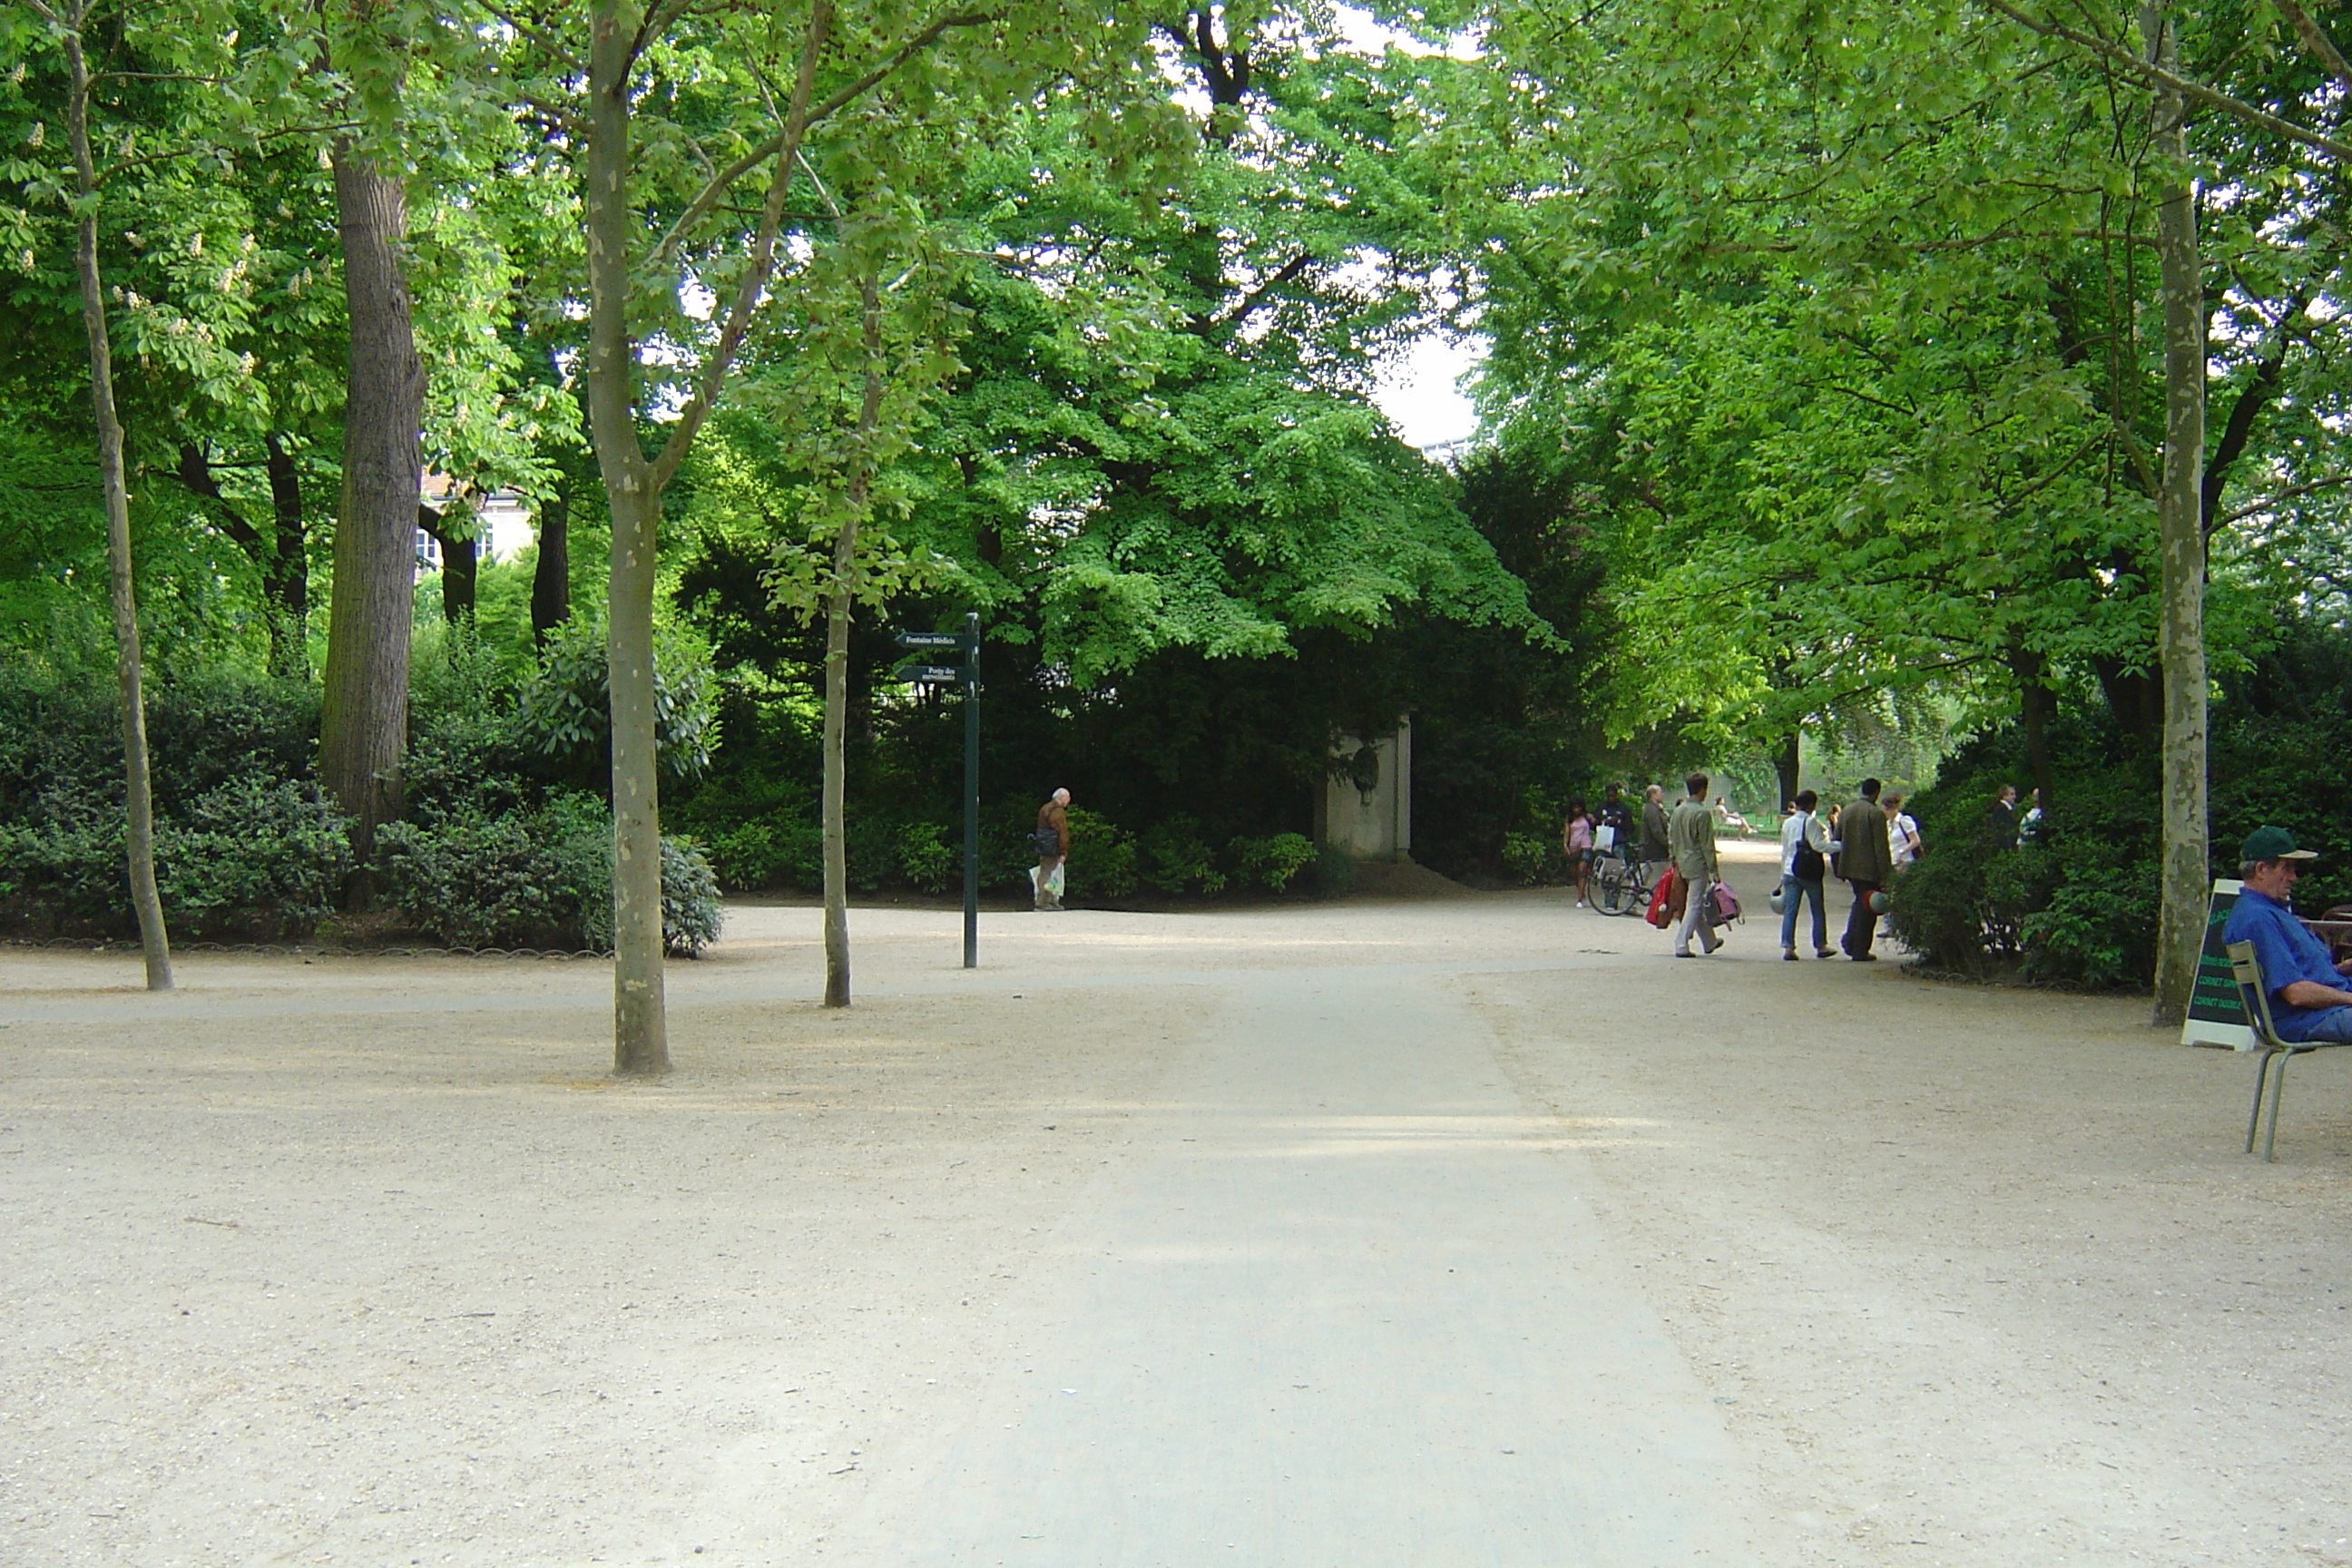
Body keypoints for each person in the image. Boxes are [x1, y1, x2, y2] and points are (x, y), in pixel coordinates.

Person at [2221, 825, 2352, 1041]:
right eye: (2286, 868)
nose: (2294, 877)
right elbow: (2296, 993)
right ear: (2261, 870)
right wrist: (2349, 997)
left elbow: (2301, 973)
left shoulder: (2267, 910)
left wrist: (2342, 969)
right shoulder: (2258, 919)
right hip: (2308, 1019)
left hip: (2322, 1010)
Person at [1834, 776, 1892, 960]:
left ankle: (1851, 942)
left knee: (1859, 903)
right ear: (1876, 792)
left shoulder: (1847, 811)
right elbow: (1881, 848)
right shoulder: (1875, 814)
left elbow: (1836, 841)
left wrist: (1837, 867)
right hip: (1869, 870)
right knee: (1868, 908)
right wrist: (1886, 874)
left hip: (1849, 867)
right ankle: (1859, 948)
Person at [1669, 771, 1722, 957]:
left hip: (1681, 862)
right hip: (1697, 863)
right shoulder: (1702, 813)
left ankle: (1709, 941)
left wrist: (1673, 859)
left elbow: (1672, 839)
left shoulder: (1678, 811)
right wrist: (1714, 870)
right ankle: (1681, 942)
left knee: (1695, 904)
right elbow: (1707, 845)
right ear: (1702, 790)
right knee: (1694, 905)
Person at [1779, 789, 1835, 960]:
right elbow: (1818, 845)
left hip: (1790, 869)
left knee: (1790, 910)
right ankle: (1820, 945)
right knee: (1817, 908)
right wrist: (1839, 847)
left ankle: (1788, 947)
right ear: (1811, 805)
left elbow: (1785, 849)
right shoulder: (1810, 822)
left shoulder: (1787, 823)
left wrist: (1782, 874)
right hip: (1808, 870)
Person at [1034, 787, 1071, 911]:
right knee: (1050, 874)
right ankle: (1044, 902)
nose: (1069, 800)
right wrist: (1063, 851)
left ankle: (1051, 901)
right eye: (1067, 798)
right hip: (1053, 847)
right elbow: (1062, 833)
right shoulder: (1058, 812)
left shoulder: (1045, 808)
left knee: (1046, 871)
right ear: (1061, 798)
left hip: (1043, 846)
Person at [1562, 799, 1595, 906]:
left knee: (1582, 870)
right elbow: (1567, 833)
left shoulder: (1587, 817)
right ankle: (1581, 890)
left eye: (1578, 807)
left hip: (1585, 845)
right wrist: (1565, 845)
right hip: (1573, 846)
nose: (1576, 810)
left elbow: (1595, 825)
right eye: (1574, 807)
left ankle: (1580, 898)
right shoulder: (1569, 819)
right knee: (1574, 873)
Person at [1640, 783, 1672, 873]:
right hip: (1654, 852)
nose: (1663, 795)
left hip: (1655, 852)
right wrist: (1669, 844)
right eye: (1660, 792)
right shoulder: (1651, 810)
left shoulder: (1655, 809)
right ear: (1653, 795)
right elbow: (1657, 831)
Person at [1986, 783, 2020, 848]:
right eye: (2011, 794)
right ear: (2004, 796)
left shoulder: (2004, 808)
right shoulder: (2002, 810)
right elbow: (2003, 831)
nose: (2014, 797)